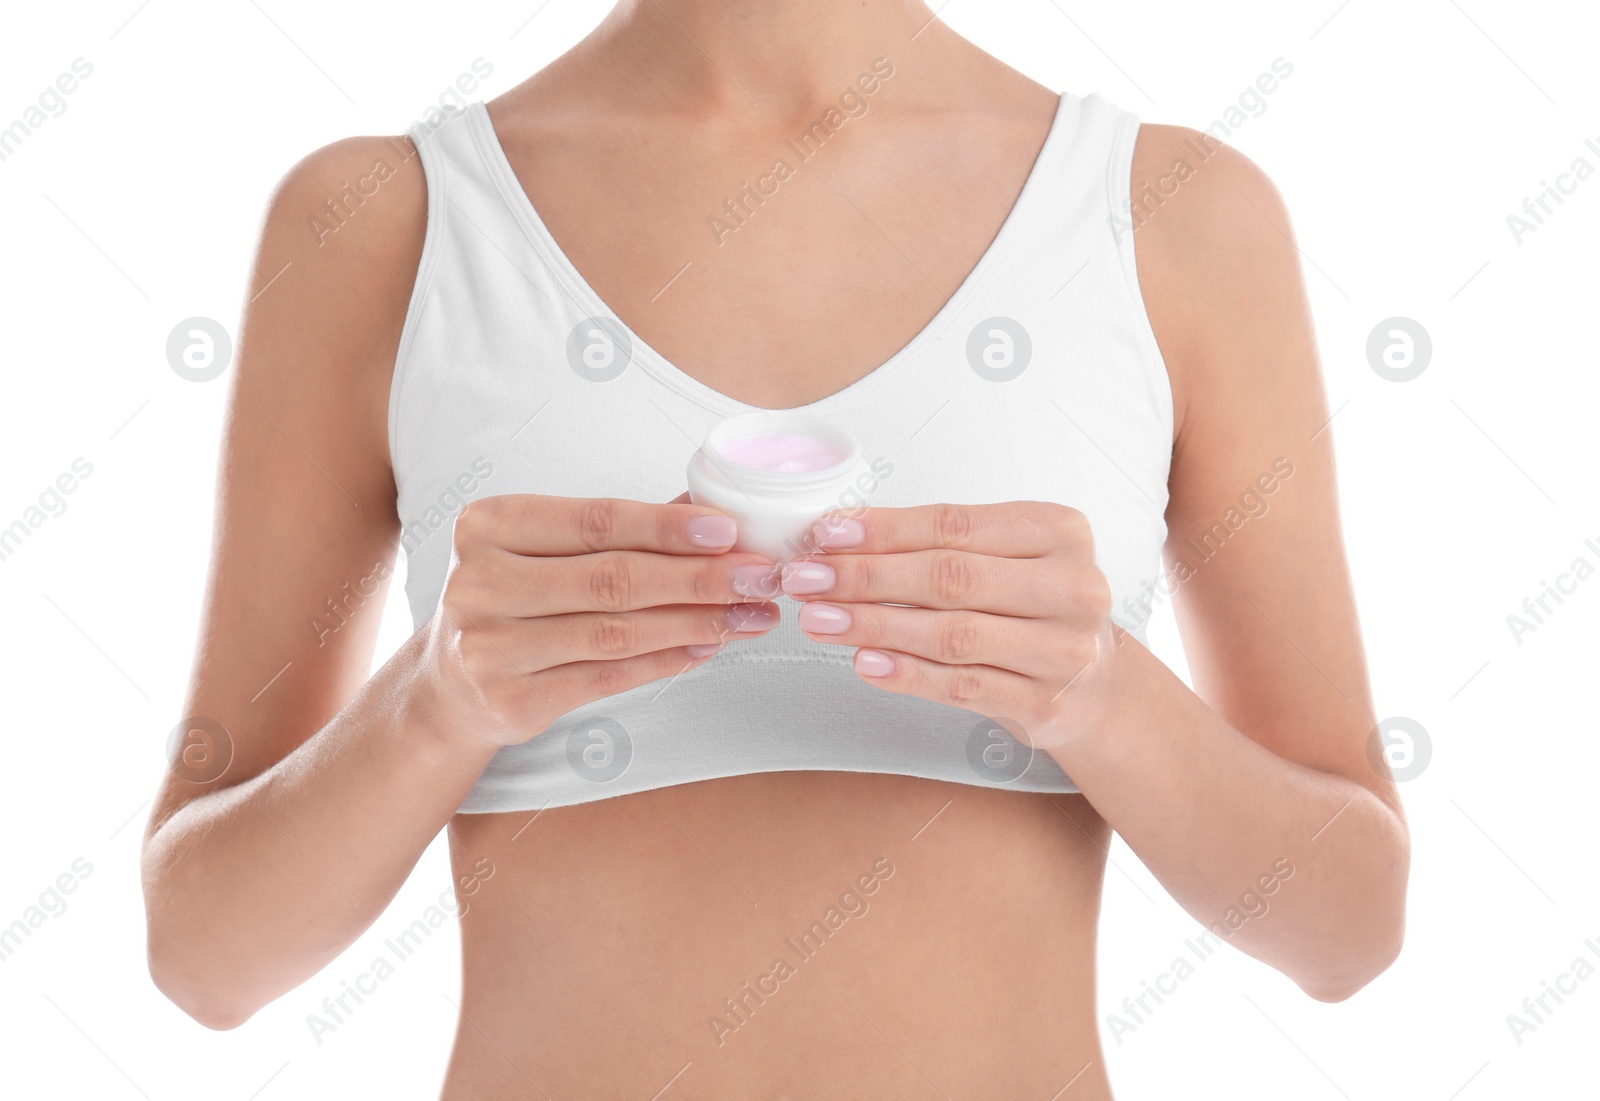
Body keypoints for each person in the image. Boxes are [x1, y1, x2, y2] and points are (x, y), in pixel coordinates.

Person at [140, 1, 1409, 1095]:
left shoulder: (1177, 219)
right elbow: (204, 955)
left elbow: (1348, 929)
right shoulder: (380, 226)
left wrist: (1107, 699)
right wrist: (429, 709)